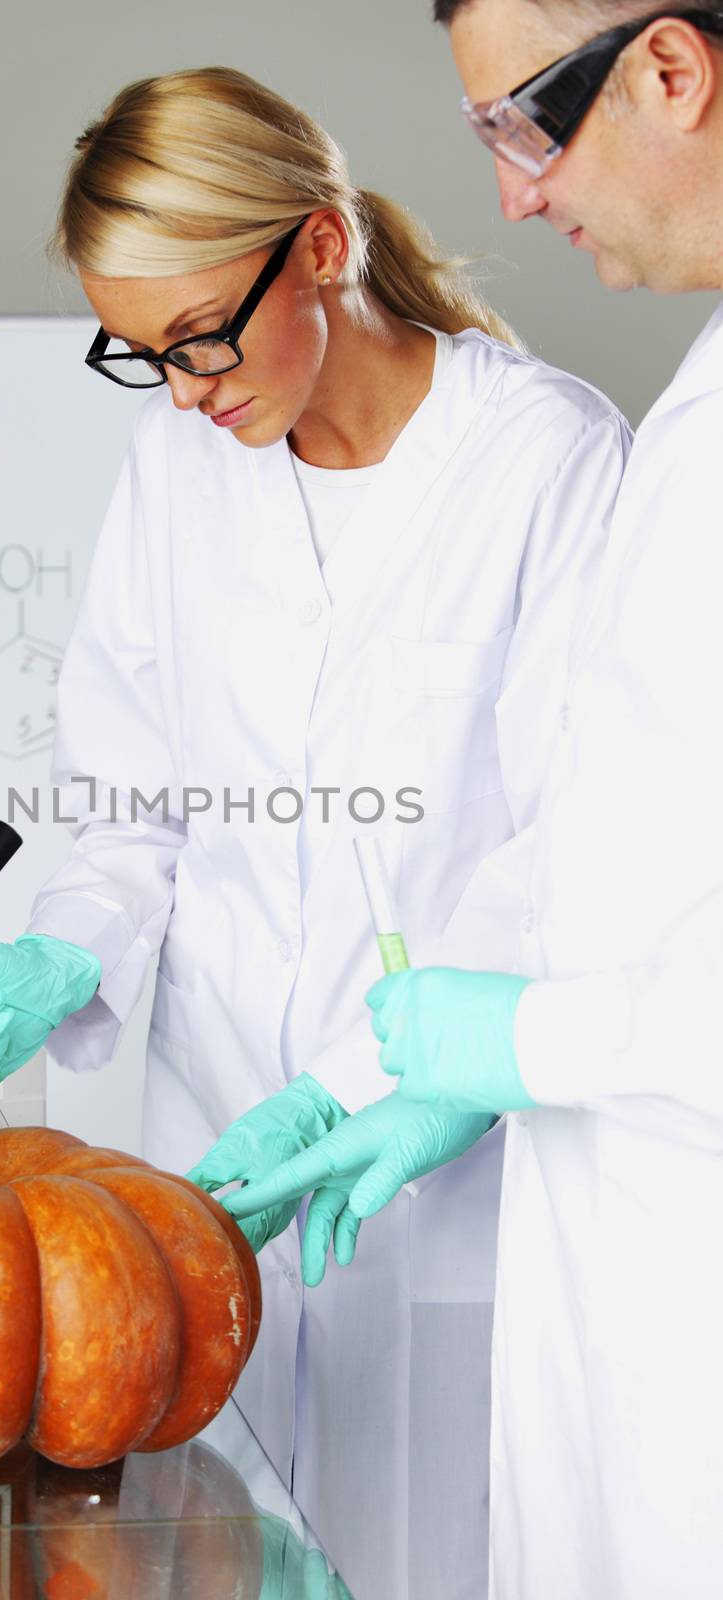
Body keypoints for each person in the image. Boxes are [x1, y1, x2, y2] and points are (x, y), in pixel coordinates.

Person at [0, 66, 629, 1599]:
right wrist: (61, 947)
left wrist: (354, 1087)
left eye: (198, 337)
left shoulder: (542, 460)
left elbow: (564, 853)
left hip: (432, 1165)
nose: (183, 391)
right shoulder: (176, 472)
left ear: (320, 245)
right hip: (202, 1145)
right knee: (206, 1554)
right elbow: (129, 809)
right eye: (139, 354)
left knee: (439, 1551)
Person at [227, 8, 723, 1597]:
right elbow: (597, 828)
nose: (512, 197)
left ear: (671, 69)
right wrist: (371, 1067)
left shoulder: (581, 446)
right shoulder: (698, 420)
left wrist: (525, 1045)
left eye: (523, 127)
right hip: (620, 1295)